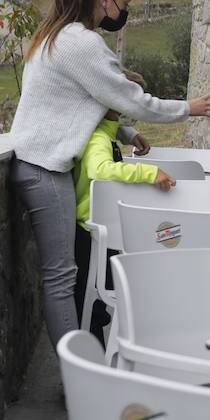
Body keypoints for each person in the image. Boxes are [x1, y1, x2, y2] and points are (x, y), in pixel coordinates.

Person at [10, 0, 210, 349]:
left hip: (36, 163)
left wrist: (124, 133)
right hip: (44, 168)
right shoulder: (82, 42)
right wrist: (189, 108)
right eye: (122, 4)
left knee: (62, 274)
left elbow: (84, 102)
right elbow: (130, 98)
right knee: (61, 276)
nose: (122, 14)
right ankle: (75, 370)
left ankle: (76, 362)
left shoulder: (56, 35)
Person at [72, 105, 176, 344]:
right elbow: (100, 169)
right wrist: (149, 173)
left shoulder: (107, 135)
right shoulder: (98, 137)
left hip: (102, 229)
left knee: (99, 297)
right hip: (92, 231)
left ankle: (99, 351)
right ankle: (92, 353)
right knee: (94, 298)